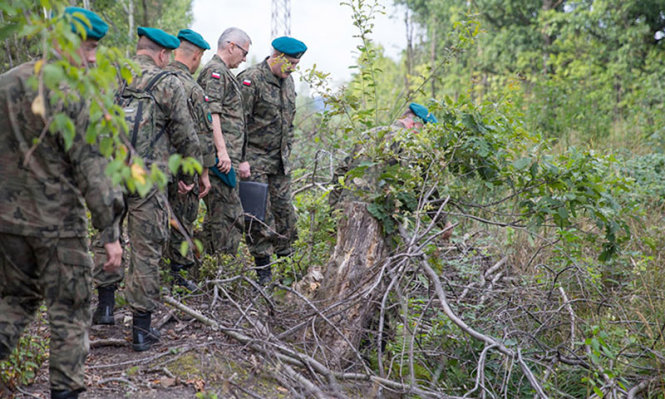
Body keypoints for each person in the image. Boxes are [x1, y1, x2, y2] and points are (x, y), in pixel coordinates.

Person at [0, 8, 124, 399]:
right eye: (86, 47)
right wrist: (110, 232)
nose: (91, 58)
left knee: (14, 302)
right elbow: (94, 171)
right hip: (59, 229)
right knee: (69, 313)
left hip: (7, 224)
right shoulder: (72, 93)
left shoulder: (6, 83)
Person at [91, 27, 202, 352]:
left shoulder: (111, 73)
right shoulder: (168, 82)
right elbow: (185, 134)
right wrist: (187, 175)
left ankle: (106, 308)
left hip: (111, 170)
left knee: (107, 236)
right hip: (149, 178)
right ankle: (141, 330)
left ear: (138, 48)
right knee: (146, 248)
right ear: (163, 54)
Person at [237, 36, 306, 285]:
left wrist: (288, 150)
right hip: (253, 161)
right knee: (258, 218)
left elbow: (289, 123)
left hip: (280, 163)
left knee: (286, 214)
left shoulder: (289, 83)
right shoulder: (251, 79)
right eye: (289, 64)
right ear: (275, 56)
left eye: (296, 65)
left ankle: (288, 273)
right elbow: (237, 123)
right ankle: (263, 275)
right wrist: (241, 159)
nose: (292, 69)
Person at [330, 103, 452, 239]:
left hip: (346, 212)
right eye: (424, 130)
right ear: (414, 123)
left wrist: (334, 211)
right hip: (374, 220)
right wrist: (443, 222)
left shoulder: (370, 134)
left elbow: (340, 172)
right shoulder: (409, 142)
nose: (423, 136)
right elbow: (419, 186)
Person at [163, 29, 215, 289]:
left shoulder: (156, 79)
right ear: (195, 56)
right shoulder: (191, 87)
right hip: (183, 166)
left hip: (153, 166)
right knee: (183, 219)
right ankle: (178, 275)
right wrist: (202, 174)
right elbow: (202, 136)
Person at [196, 27, 252, 256]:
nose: (245, 58)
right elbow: (212, 113)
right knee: (229, 216)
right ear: (231, 46)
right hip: (220, 160)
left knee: (219, 216)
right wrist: (222, 152)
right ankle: (221, 269)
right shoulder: (214, 72)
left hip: (226, 159)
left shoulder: (224, 73)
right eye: (244, 52)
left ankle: (205, 269)